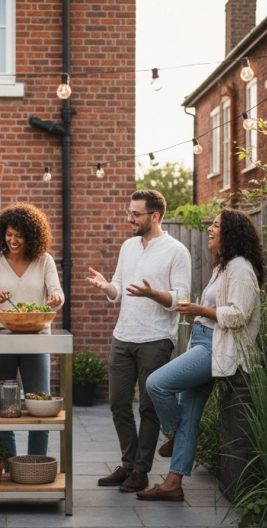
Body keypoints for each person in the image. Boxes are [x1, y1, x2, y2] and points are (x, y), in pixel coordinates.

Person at [138, 209, 265, 501]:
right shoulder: (224, 266)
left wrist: (198, 310)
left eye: (216, 225)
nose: (210, 229)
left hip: (217, 347)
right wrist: (198, 313)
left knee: (156, 384)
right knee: (190, 416)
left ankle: (173, 434)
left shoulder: (241, 268)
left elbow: (238, 315)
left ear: (230, 232)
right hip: (204, 341)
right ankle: (173, 484)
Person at [86, 190, 191, 493]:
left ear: (155, 215)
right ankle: (128, 463)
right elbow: (118, 289)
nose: (129, 218)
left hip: (156, 339)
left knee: (148, 407)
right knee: (118, 402)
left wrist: (153, 294)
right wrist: (106, 287)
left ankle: (140, 470)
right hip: (123, 335)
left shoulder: (176, 251)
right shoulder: (128, 246)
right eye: (128, 212)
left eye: (135, 214)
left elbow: (181, 299)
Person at [0, 203, 64, 460]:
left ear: (31, 236)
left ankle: (35, 465)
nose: (13, 240)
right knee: (4, 409)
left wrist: (55, 299)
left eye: (19, 235)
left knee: (41, 407)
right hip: (0, 339)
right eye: (9, 234)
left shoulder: (44, 260)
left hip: (36, 339)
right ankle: (8, 467)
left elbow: (58, 293)